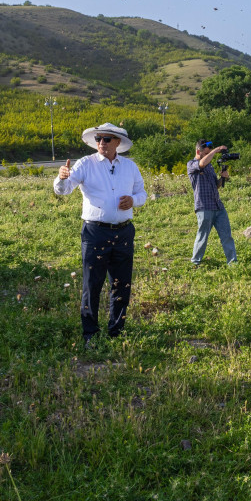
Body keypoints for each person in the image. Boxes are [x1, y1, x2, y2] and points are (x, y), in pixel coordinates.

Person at [53, 123, 147, 346]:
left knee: (121, 283)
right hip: (95, 233)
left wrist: (134, 200)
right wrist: (62, 177)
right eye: (98, 139)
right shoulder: (86, 163)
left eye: (106, 139)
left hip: (124, 231)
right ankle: (90, 335)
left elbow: (141, 192)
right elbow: (63, 190)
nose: (101, 143)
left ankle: (117, 331)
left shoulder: (130, 167)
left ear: (117, 142)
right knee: (92, 284)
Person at [187, 141, 236, 266]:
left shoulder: (209, 167)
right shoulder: (191, 164)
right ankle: (195, 262)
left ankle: (233, 262)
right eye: (206, 153)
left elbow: (216, 185)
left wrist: (223, 178)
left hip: (217, 206)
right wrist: (216, 150)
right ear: (198, 152)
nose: (209, 155)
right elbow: (201, 164)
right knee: (202, 236)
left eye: (210, 153)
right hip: (204, 207)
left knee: (227, 236)